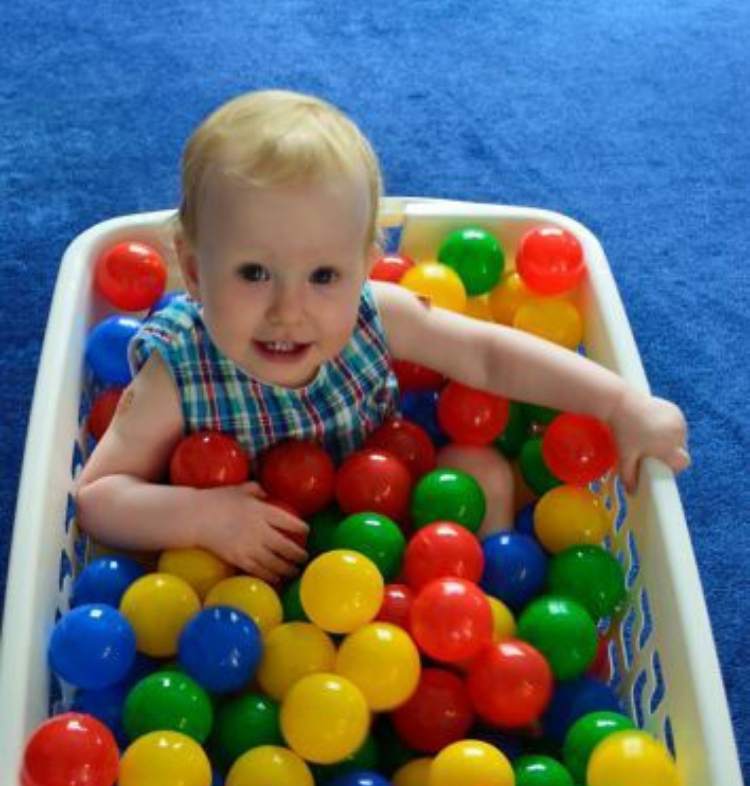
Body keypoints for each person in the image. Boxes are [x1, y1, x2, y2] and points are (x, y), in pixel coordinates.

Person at [76, 89, 690, 587]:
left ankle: (474, 604)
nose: (288, 310)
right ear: (191, 265)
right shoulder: (179, 369)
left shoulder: (377, 314)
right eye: (253, 273)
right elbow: (100, 494)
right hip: (255, 553)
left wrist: (619, 404)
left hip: (391, 496)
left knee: (483, 473)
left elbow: (487, 354)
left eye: (324, 276)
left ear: (367, 266)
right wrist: (203, 517)